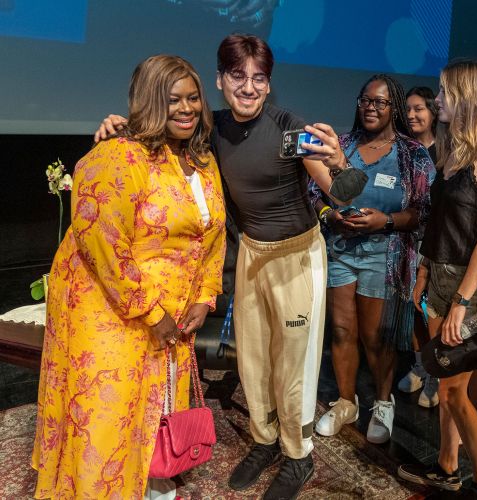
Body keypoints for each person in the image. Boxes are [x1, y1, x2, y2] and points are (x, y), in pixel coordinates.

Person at [95, 34, 352, 499]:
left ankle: (299, 455)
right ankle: (265, 440)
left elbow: (338, 190)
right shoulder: (210, 128)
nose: (248, 88)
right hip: (252, 253)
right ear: (220, 80)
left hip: (297, 256)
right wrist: (120, 126)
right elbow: (155, 132)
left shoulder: (289, 129)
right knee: (252, 359)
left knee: (291, 363)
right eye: (238, 76)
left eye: (258, 78)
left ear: (269, 85)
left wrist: (338, 160)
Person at [32, 55, 226, 499]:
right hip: (111, 315)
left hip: (173, 314)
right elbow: (103, 246)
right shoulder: (117, 157)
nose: (186, 108)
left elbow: (213, 236)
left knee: (157, 407)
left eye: (193, 97)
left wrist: (205, 295)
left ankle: (151, 479)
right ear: (149, 102)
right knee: (107, 413)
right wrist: (151, 312)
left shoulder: (202, 161)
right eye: (173, 99)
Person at [398, 58, 477, 499]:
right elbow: (438, 222)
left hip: (473, 289)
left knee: (457, 396)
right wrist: (424, 272)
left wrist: (461, 303)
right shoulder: (449, 148)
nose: (436, 99)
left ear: (467, 96)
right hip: (441, 279)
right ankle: (446, 466)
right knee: (445, 389)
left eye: (444, 92)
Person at [309, 75, 432, 442]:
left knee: (375, 337)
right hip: (342, 250)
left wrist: (386, 221)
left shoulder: (412, 155)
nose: (370, 108)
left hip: (386, 253)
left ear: (393, 107)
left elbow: (423, 212)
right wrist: (330, 216)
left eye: (379, 102)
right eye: (365, 100)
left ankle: (382, 401)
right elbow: (315, 194)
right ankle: (346, 402)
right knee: (343, 330)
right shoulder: (342, 145)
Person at [398, 85, 440, 408]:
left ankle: (437, 375)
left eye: (419, 109)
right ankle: (419, 365)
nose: (412, 115)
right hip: (406, 241)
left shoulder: (446, 151)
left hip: (436, 245)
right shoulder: (403, 150)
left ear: (433, 112)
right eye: (408, 109)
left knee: (432, 311)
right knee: (413, 308)